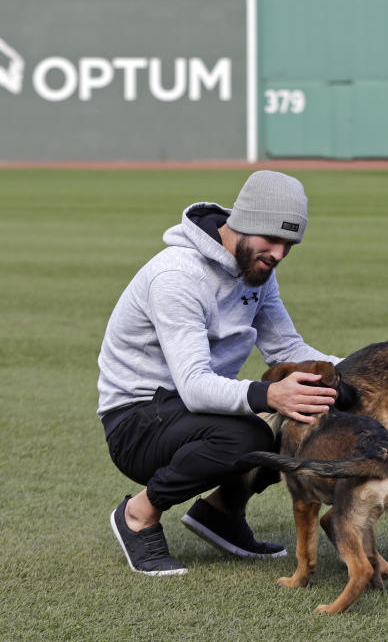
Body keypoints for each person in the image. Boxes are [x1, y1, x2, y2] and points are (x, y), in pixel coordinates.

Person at [98, 170, 340, 575]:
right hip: (136, 421)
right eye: (272, 239)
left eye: (289, 244)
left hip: (187, 414)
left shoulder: (256, 268)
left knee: (303, 411)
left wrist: (368, 369)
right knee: (252, 431)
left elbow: (287, 348)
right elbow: (193, 386)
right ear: (244, 222)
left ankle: (221, 514)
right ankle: (138, 514)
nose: (279, 253)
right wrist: (270, 396)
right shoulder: (177, 276)